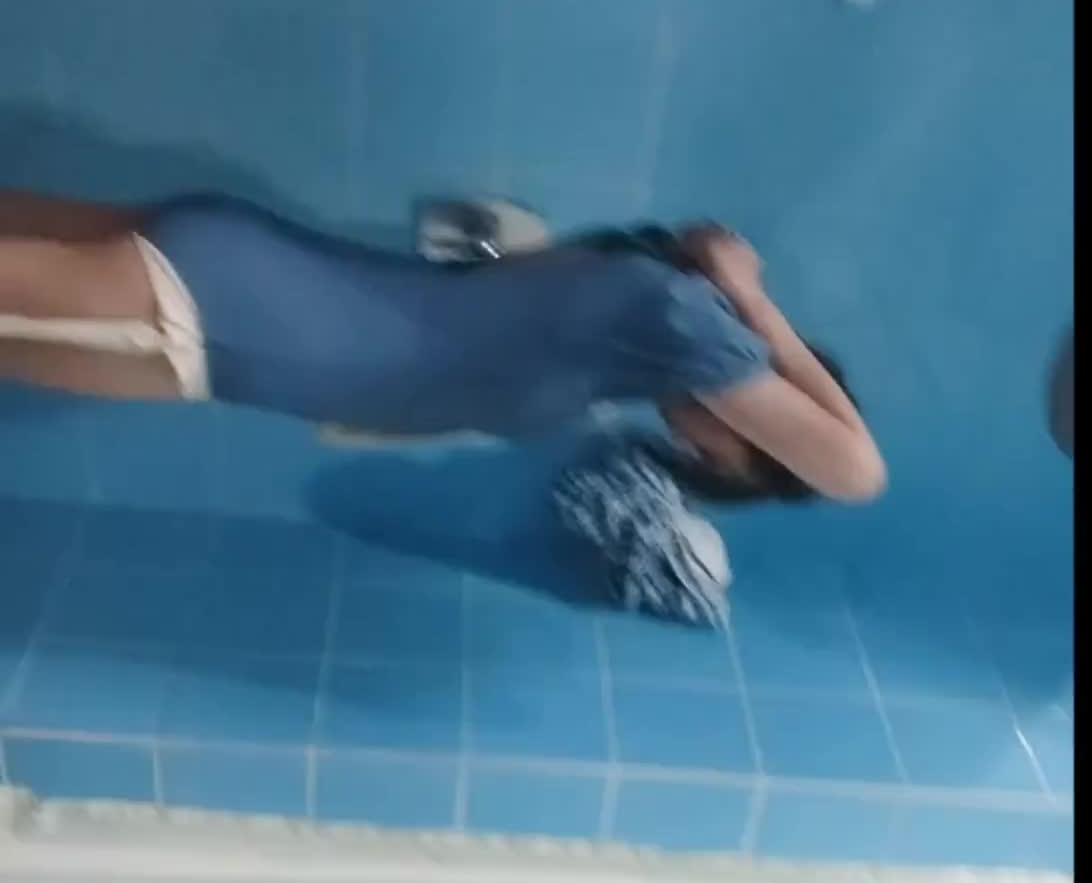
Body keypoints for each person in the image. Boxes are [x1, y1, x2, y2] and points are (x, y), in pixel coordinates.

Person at [0, 191, 886, 505]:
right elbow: (857, 474)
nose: (697, 448)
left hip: (231, 314)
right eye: (729, 456)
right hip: (212, 313)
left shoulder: (642, 324)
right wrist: (754, 301)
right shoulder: (690, 324)